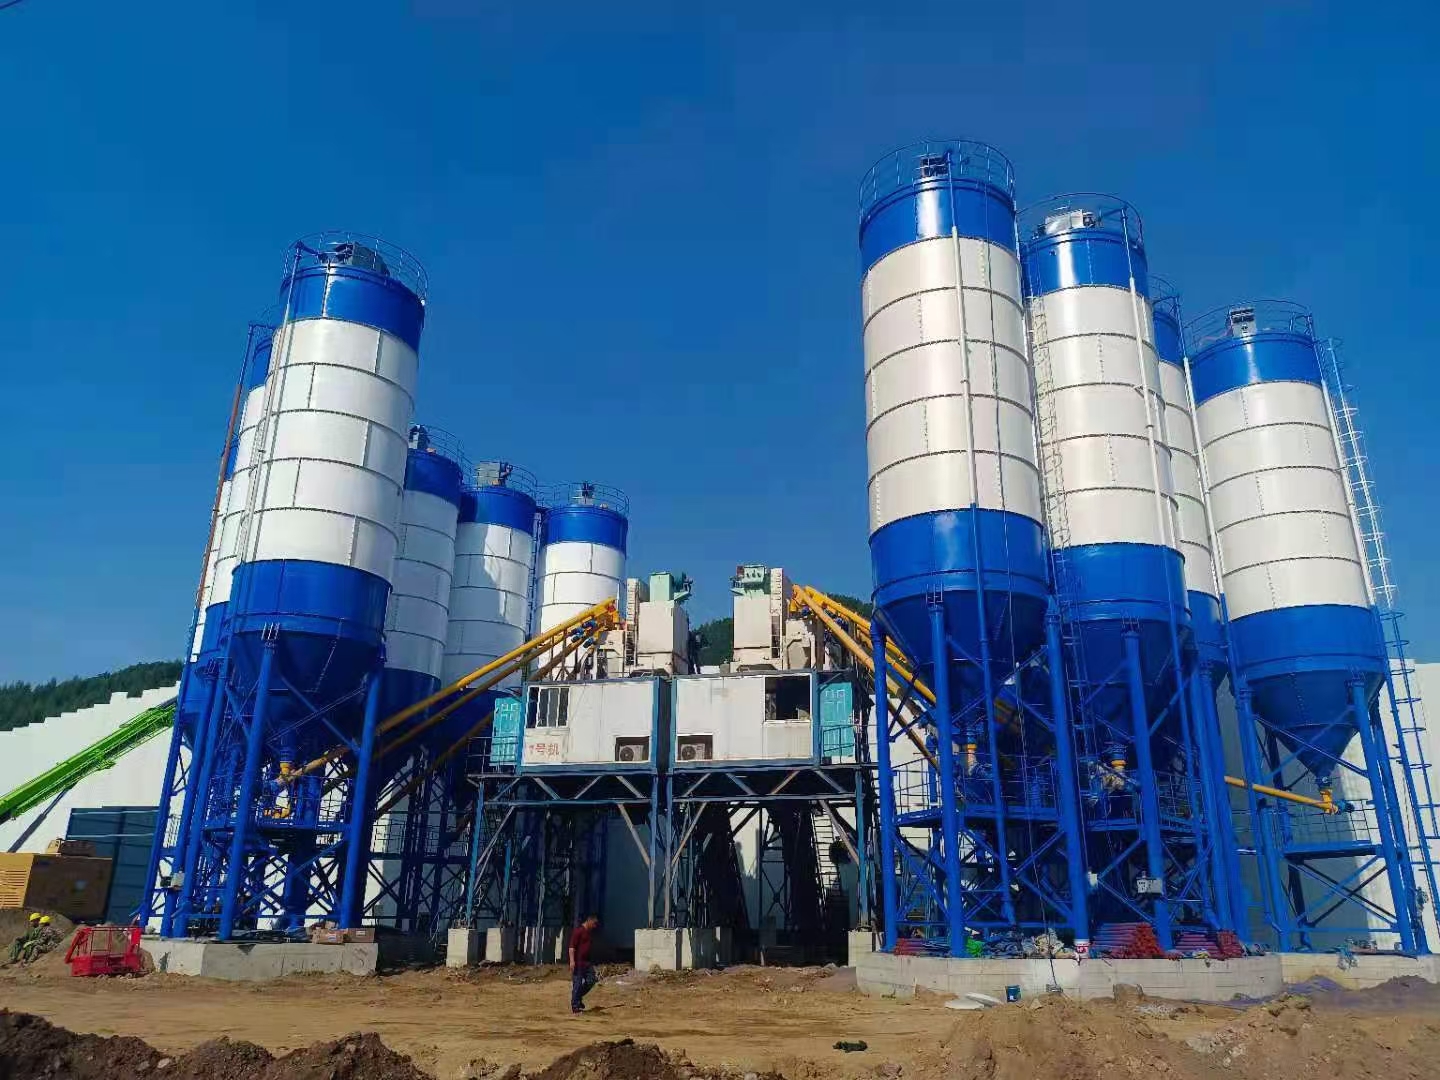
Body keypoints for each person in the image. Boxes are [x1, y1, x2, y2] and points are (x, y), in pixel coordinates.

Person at [568, 914, 600, 1013]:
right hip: (578, 963)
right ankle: (575, 1006)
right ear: (589, 921)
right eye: (594, 924)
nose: (595, 926)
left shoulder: (589, 932)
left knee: (592, 980)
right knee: (577, 984)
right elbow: (571, 948)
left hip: (587, 963)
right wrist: (572, 961)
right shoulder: (578, 931)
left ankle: (577, 997)